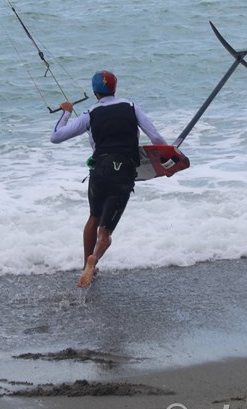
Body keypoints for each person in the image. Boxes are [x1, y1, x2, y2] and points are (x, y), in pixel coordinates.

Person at [51, 71, 167, 288]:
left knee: (93, 218)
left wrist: (66, 112)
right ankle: (94, 259)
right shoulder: (131, 107)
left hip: (99, 171)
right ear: (115, 88)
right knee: (105, 233)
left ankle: (87, 265)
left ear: (95, 92)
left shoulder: (90, 113)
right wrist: (169, 157)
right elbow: (156, 138)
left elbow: (56, 137)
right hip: (123, 172)